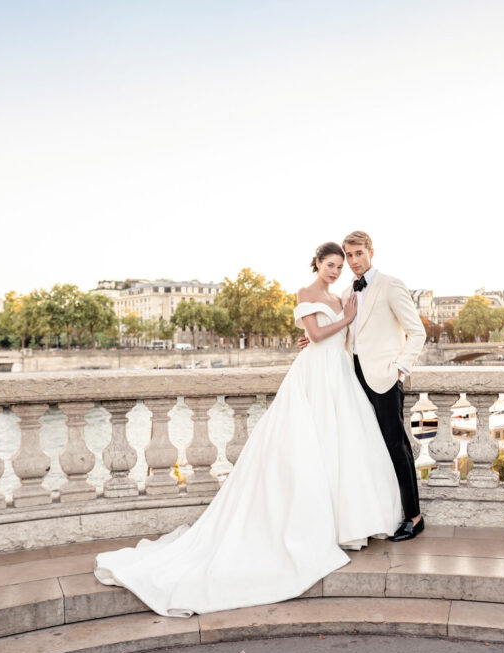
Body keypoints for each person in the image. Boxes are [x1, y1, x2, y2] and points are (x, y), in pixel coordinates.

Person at [93, 242, 404, 617]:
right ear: (317, 264)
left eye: (341, 265)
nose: (337, 271)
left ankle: (344, 524)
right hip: (315, 376)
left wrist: (344, 325)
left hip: (337, 375)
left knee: (340, 447)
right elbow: (318, 336)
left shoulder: (342, 297)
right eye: (331, 264)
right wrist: (343, 321)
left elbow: (336, 338)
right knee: (311, 447)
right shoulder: (308, 294)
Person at [301, 231, 427, 541]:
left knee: (396, 445)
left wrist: (399, 369)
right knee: (365, 447)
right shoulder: (345, 293)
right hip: (350, 377)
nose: (354, 261)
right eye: (349, 256)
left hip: (383, 378)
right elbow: (341, 332)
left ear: (371, 252)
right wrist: (313, 339)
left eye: (359, 254)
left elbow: (417, 332)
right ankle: (377, 513)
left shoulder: (391, 285)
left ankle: (414, 516)